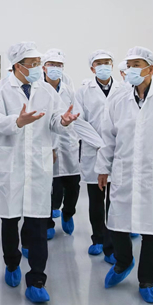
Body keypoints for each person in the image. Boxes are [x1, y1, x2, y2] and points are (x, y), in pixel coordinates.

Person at [0, 42, 79, 303]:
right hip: (11, 164)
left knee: (38, 223)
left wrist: (63, 121)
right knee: (10, 220)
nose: (39, 68)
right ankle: (12, 262)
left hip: (38, 166)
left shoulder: (46, 90)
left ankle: (37, 279)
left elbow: (55, 120)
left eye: (39, 63)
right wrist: (17, 121)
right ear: (18, 66)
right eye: (33, 64)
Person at [96, 47, 153, 303]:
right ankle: (123, 262)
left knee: (152, 229)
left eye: (137, 65)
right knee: (117, 223)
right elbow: (108, 137)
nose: (131, 70)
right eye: (128, 65)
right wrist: (103, 167)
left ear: (151, 68)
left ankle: (147, 280)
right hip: (124, 171)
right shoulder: (118, 100)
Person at [41, 49, 103, 240]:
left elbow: (77, 118)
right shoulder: (38, 90)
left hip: (69, 143)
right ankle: (48, 222)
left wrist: (95, 142)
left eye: (59, 65)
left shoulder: (69, 90)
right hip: (46, 143)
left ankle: (68, 213)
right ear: (44, 67)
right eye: (52, 64)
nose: (55, 68)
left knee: (73, 186)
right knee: (48, 187)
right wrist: (52, 146)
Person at [74, 50, 117, 261]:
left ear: (112, 65)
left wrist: (112, 145)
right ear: (92, 68)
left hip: (118, 153)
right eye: (99, 63)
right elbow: (79, 122)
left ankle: (112, 243)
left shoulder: (124, 89)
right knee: (96, 199)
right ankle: (98, 238)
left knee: (114, 200)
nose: (103, 66)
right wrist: (101, 144)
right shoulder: (83, 92)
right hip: (94, 151)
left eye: (106, 62)